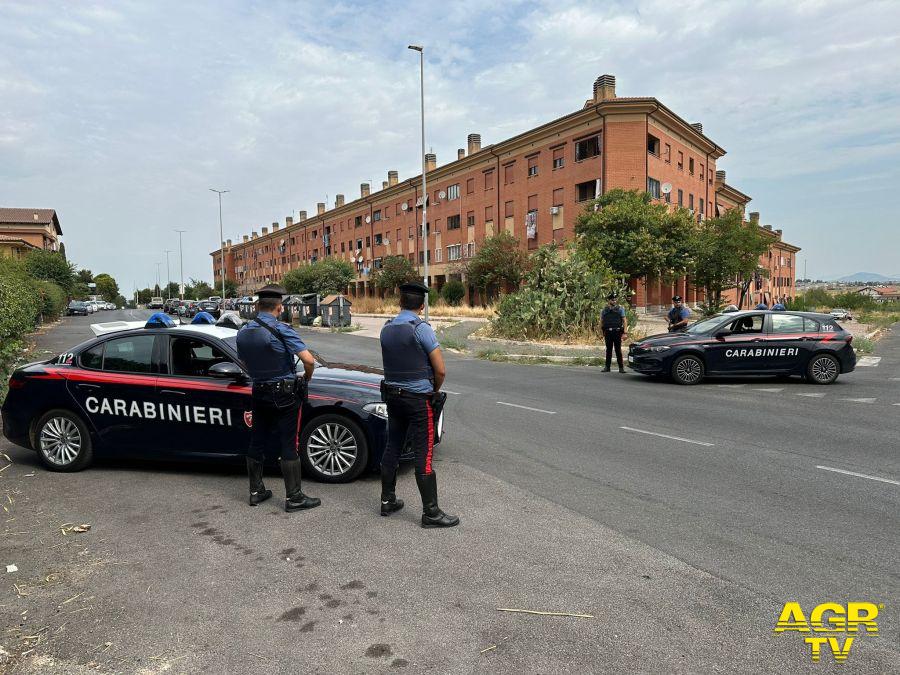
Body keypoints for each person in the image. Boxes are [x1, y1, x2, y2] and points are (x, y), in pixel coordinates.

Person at [379, 281, 458, 528]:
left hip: (393, 396)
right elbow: (441, 370)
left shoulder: (386, 327)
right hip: (417, 400)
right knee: (424, 454)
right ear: (422, 305)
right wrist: (433, 390)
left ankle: (387, 500)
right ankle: (431, 513)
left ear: (400, 302)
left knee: (392, 446)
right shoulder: (421, 329)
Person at [236, 285, 320, 512]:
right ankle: (294, 497)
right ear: (279, 307)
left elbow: (242, 361)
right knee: (288, 442)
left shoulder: (243, 332)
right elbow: (308, 360)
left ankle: (256, 492)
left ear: (256, 306)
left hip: (259, 390)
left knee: (257, 440)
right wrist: (307, 377)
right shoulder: (281, 328)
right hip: (284, 393)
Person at [600, 293, 627, 373]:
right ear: (609, 300)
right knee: (608, 350)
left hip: (617, 331)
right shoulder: (605, 310)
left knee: (618, 350)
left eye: (615, 299)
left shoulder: (620, 309)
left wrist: (625, 332)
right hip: (608, 332)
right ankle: (607, 367)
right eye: (612, 300)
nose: (614, 301)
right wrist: (601, 332)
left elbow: (624, 320)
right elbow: (601, 321)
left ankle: (621, 368)